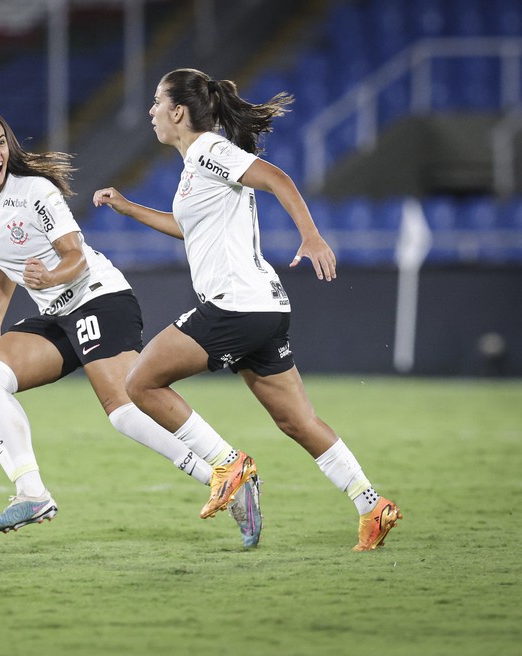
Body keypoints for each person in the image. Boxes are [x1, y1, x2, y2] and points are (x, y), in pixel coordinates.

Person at [92, 68, 401, 551]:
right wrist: (130, 208)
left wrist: (311, 235)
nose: (151, 111)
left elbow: (276, 177)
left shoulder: (210, 151)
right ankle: (372, 505)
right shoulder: (196, 164)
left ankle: (227, 463)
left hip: (234, 305)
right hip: (264, 308)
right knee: (298, 421)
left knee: (139, 382)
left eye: (157, 102)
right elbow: (186, 227)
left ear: (177, 112)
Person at [0, 99, 262, 546]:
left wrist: (50, 276)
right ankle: (31, 492)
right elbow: (1, 260)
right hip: (56, 315)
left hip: (98, 297)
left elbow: (74, 255)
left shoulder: (35, 192)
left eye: (0, 142)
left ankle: (228, 472)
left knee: (126, 412)